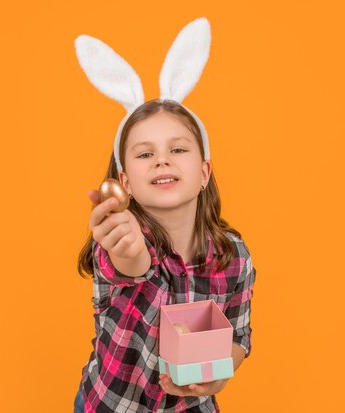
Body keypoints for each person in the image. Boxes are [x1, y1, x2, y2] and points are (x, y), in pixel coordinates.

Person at [73, 17, 256, 413]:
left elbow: (239, 339)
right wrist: (124, 245)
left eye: (178, 149)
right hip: (111, 405)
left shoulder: (235, 256)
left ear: (203, 172)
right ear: (126, 181)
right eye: (144, 153)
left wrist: (221, 375)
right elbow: (131, 263)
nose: (161, 160)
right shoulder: (123, 241)